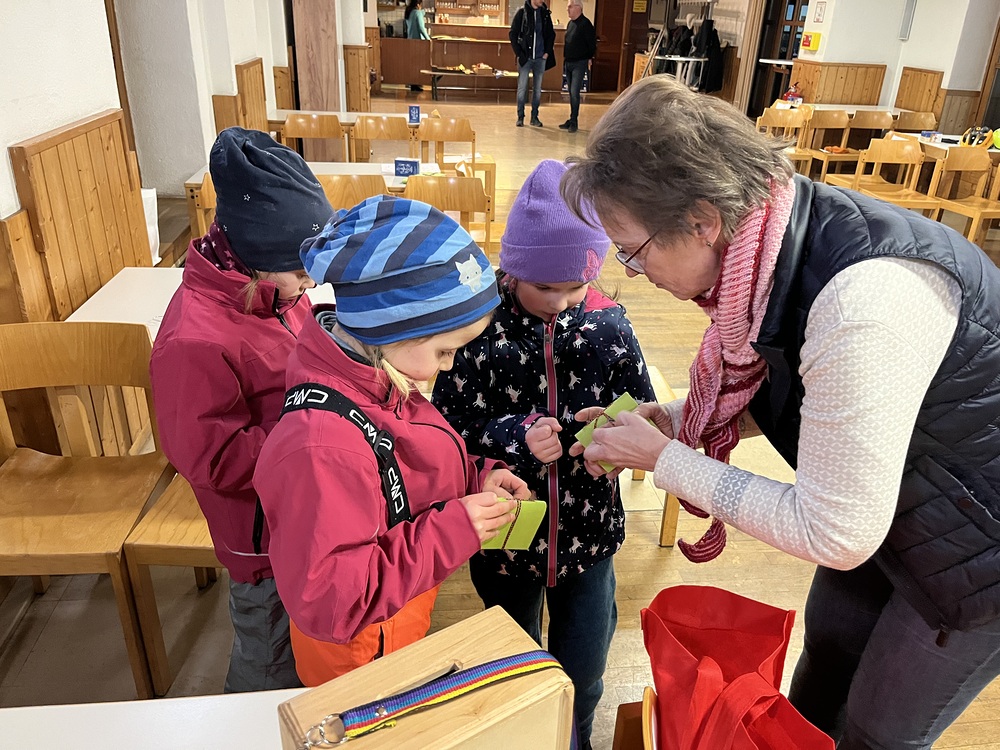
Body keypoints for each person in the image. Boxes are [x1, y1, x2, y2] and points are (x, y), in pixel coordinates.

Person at [562, 74, 1000, 750]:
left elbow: (836, 531)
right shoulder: (769, 250)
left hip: (977, 546)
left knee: (881, 729)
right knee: (826, 660)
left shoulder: (859, 305)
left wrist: (668, 461)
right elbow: (814, 399)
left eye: (634, 250)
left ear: (703, 221)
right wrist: (677, 419)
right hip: (902, 501)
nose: (632, 272)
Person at [253, 196, 529, 686]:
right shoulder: (321, 446)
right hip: (357, 660)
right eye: (444, 350)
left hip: (395, 625)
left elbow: (409, 461)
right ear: (394, 328)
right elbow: (332, 602)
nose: (449, 365)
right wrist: (453, 530)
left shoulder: (379, 374)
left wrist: (478, 477)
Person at [432, 160, 656, 749]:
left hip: (589, 540)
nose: (561, 301)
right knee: (515, 669)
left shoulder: (609, 327)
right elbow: (447, 428)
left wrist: (610, 440)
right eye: (545, 287)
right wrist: (518, 433)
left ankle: (575, 738)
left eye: (574, 286)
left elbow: (643, 408)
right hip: (506, 539)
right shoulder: (478, 330)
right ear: (512, 270)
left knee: (584, 675)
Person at [150, 127, 333, 692]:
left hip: (297, 508)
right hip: (259, 537)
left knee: (298, 639)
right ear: (255, 256)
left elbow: (299, 355)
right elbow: (209, 458)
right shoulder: (194, 339)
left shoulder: (273, 293)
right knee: (267, 651)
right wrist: (308, 432)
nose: (310, 284)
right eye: (300, 272)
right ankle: (249, 720)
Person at [510, 0, 555, 128]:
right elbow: (512, 34)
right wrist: (519, 53)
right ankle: (520, 117)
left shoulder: (545, 15)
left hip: (540, 58)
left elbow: (551, 35)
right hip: (526, 58)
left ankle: (534, 117)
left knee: (537, 90)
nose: (543, 1)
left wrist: (547, 52)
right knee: (522, 88)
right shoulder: (521, 13)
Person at [560, 0, 596, 133]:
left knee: (575, 92)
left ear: (578, 8)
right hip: (568, 62)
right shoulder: (570, 23)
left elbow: (592, 44)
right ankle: (571, 119)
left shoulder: (586, 24)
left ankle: (574, 121)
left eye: (570, 7)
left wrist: (589, 57)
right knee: (570, 92)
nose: (567, 9)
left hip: (579, 63)